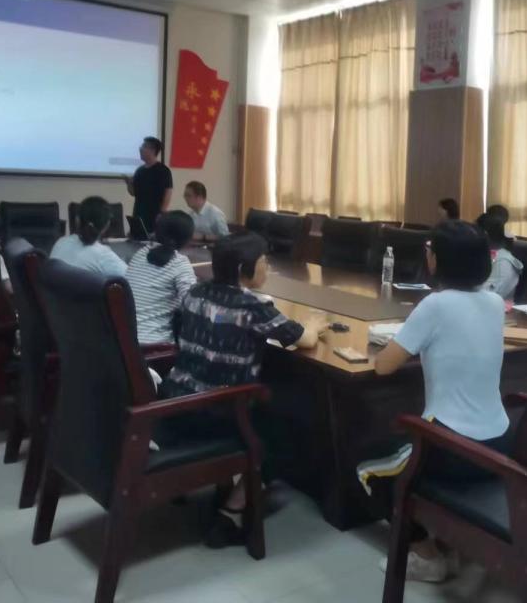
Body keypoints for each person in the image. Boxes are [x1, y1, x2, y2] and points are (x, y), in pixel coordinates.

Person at [160, 233, 326, 547]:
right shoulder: (253, 305)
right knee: (288, 426)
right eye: (264, 263)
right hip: (216, 413)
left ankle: (228, 488)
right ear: (242, 269)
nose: (268, 269)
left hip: (176, 403)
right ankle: (234, 510)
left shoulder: (195, 292)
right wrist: (314, 325)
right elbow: (304, 339)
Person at [369, 221, 509, 583]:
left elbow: (384, 367)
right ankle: (448, 544)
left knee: (371, 467)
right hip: (498, 445)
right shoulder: (495, 302)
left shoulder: (435, 305)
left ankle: (426, 555)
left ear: (438, 260)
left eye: (430, 249)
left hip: (452, 447)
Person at [126, 211, 197, 344]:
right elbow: (192, 306)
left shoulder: (140, 254)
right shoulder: (179, 263)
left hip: (124, 340)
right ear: (187, 239)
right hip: (154, 345)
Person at [49, 196, 127, 277]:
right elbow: (132, 278)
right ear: (107, 225)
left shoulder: (61, 243)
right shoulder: (103, 256)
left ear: (77, 220)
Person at [124, 136, 172, 237]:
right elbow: (133, 193)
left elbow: (168, 192)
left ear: (153, 150)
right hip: (138, 214)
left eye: (144, 146)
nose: (140, 149)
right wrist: (129, 184)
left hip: (154, 216)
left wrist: (162, 213)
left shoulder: (163, 170)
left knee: (152, 241)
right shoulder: (139, 170)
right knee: (136, 239)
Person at [478, 214, 523, 301]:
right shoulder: (485, 256)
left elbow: (488, 297)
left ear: (484, 234)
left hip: (492, 307)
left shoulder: (502, 262)